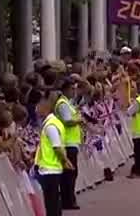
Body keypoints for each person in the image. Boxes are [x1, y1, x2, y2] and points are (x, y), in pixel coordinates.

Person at [33, 92, 71, 216]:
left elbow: (56, 147)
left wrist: (65, 161)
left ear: (45, 108)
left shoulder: (50, 126)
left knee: (51, 202)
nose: (36, 109)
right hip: (52, 167)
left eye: (38, 106)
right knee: (53, 200)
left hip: (49, 168)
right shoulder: (53, 122)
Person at [54, 78, 83, 210]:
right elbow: (67, 121)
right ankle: (68, 200)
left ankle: (68, 199)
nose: (74, 91)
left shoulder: (69, 103)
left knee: (71, 173)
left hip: (72, 142)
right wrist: (79, 120)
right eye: (72, 89)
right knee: (69, 173)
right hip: (67, 143)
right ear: (65, 89)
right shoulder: (63, 104)